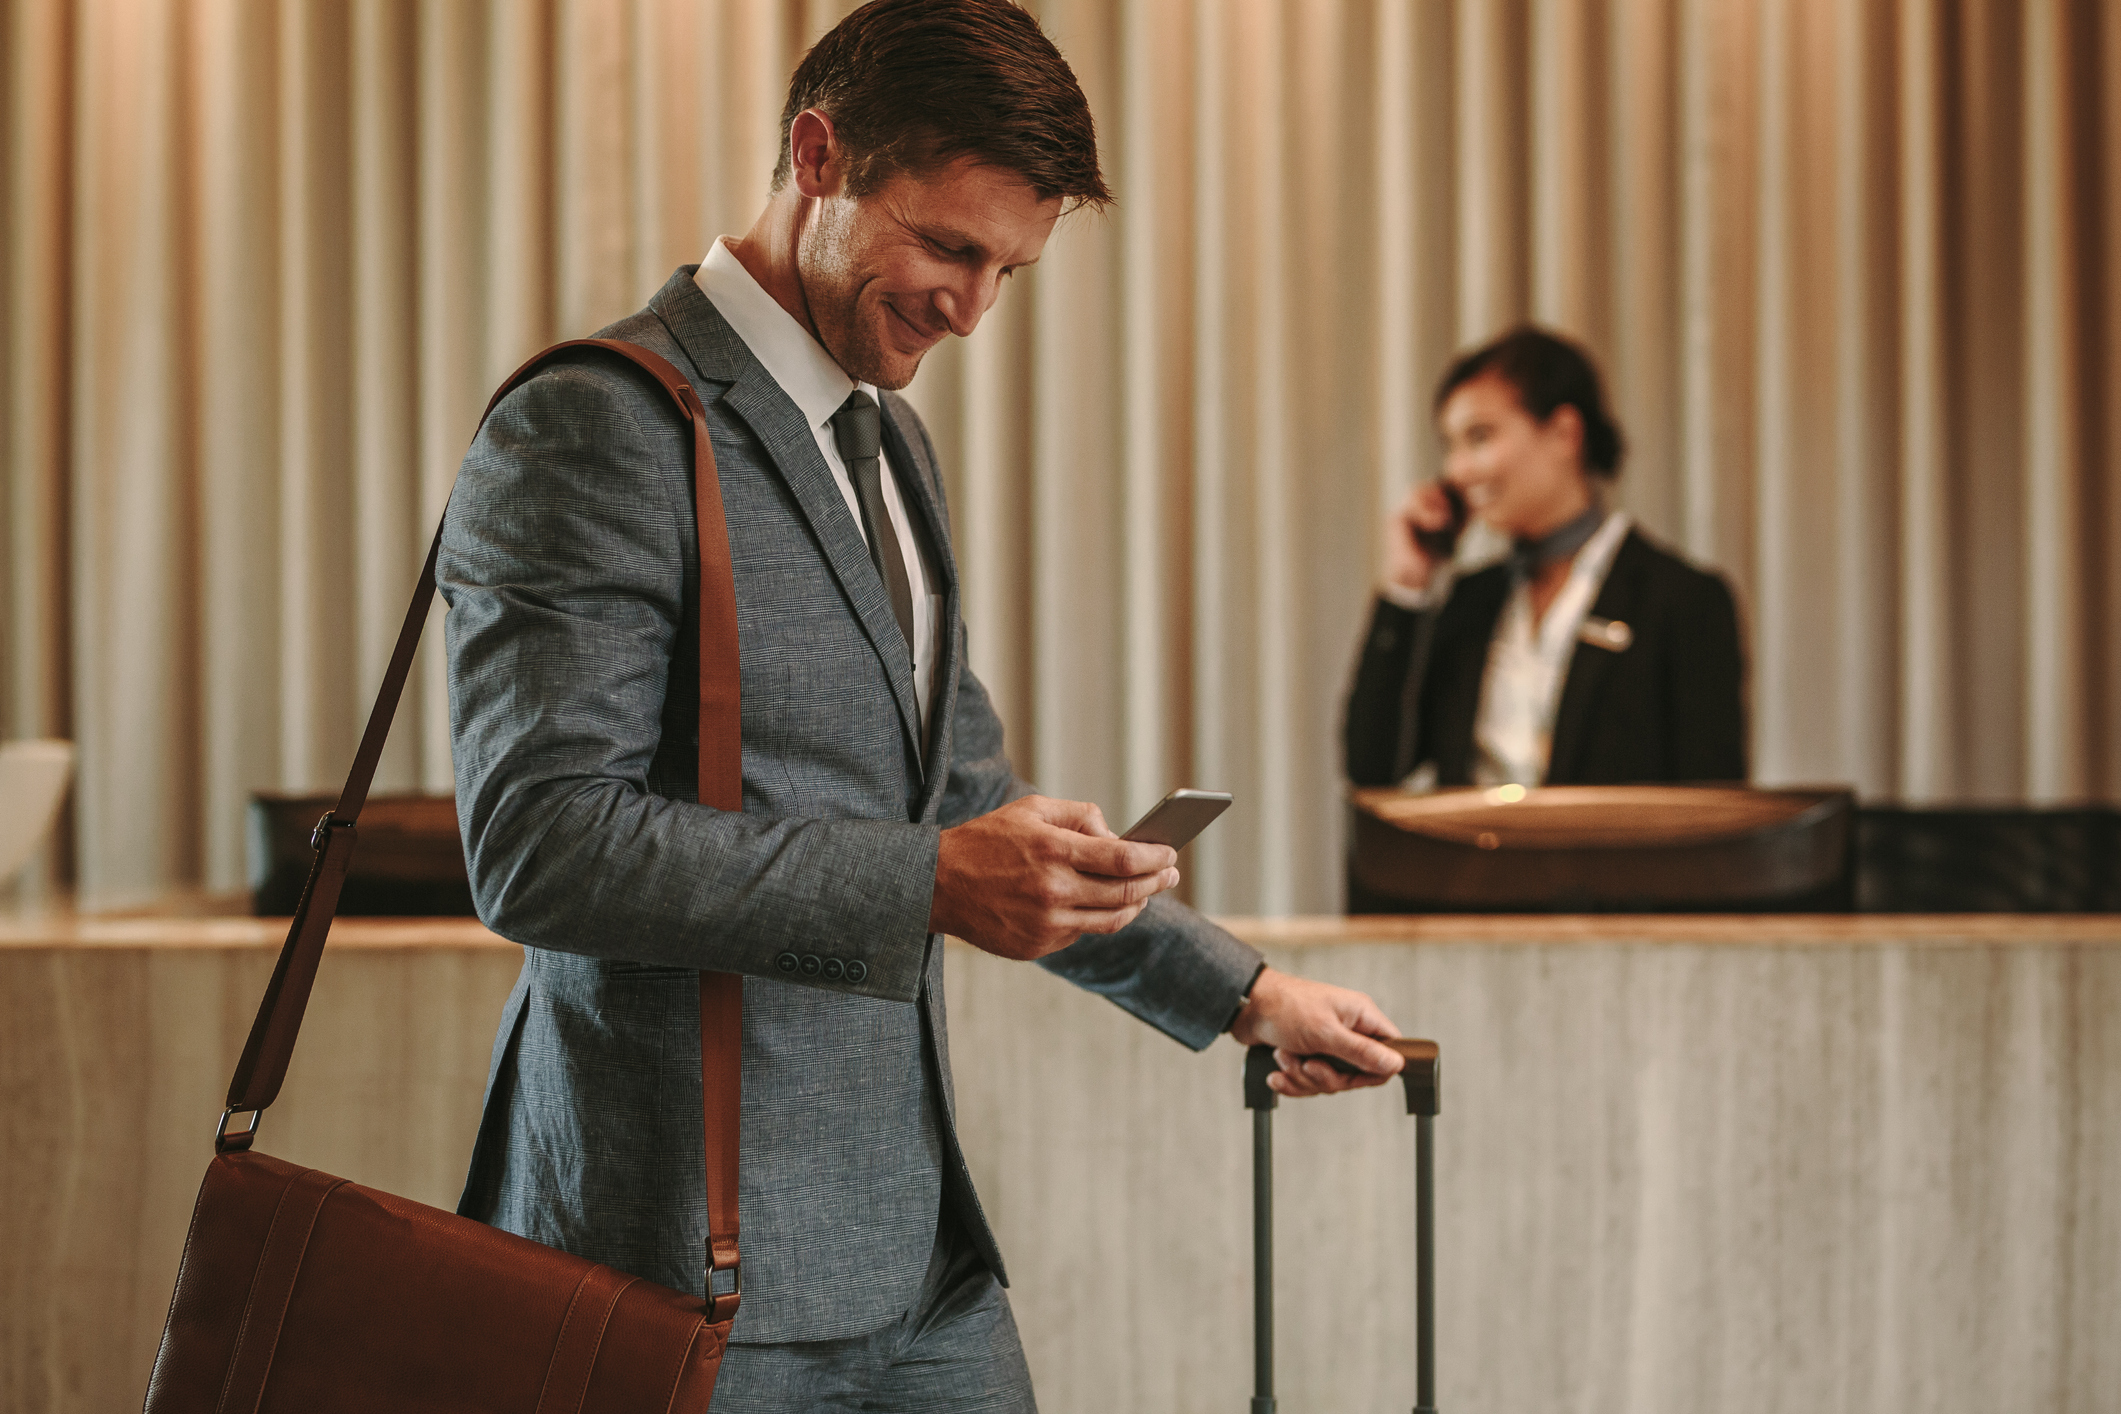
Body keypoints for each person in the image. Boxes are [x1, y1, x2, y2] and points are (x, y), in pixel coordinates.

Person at [440, 2, 1404, 1408]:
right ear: (815, 154)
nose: (971, 308)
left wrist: (1246, 993)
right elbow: (539, 844)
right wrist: (937, 880)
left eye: (1009, 268)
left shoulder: (892, 444)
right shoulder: (600, 421)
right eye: (948, 247)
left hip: (920, 1255)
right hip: (680, 1262)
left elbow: (960, 801)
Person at [1344, 327, 1746, 792]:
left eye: (1479, 437)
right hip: (1471, 865)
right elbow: (1372, 767)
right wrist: (1408, 587)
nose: (1457, 470)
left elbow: (1713, 812)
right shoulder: (1472, 600)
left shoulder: (1681, 600)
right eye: (1449, 446)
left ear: (1563, 432)